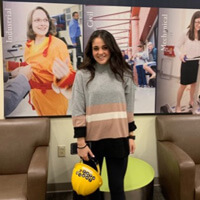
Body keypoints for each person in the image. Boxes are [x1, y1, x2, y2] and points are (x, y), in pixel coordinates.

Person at [71, 30, 137, 200]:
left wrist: (131, 136)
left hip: (119, 138)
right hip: (92, 142)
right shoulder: (82, 75)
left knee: (117, 188)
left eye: (105, 47)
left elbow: (129, 108)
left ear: (112, 48)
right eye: (96, 48)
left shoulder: (125, 73)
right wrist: (80, 143)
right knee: (92, 192)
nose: (100, 52)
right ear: (90, 51)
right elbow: (77, 109)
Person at [9, 6, 75, 116]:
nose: (42, 23)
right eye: (37, 20)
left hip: (53, 100)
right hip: (36, 97)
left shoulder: (58, 45)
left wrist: (64, 78)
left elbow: (69, 75)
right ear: (31, 24)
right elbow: (31, 66)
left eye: (45, 20)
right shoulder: (29, 45)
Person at [175, 11, 200, 113]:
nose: (199, 25)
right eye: (197, 22)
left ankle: (191, 101)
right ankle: (177, 105)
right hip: (187, 62)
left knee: (194, 84)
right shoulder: (185, 32)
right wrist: (180, 55)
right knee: (183, 85)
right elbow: (176, 47)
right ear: (193, 21)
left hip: (197, 62)